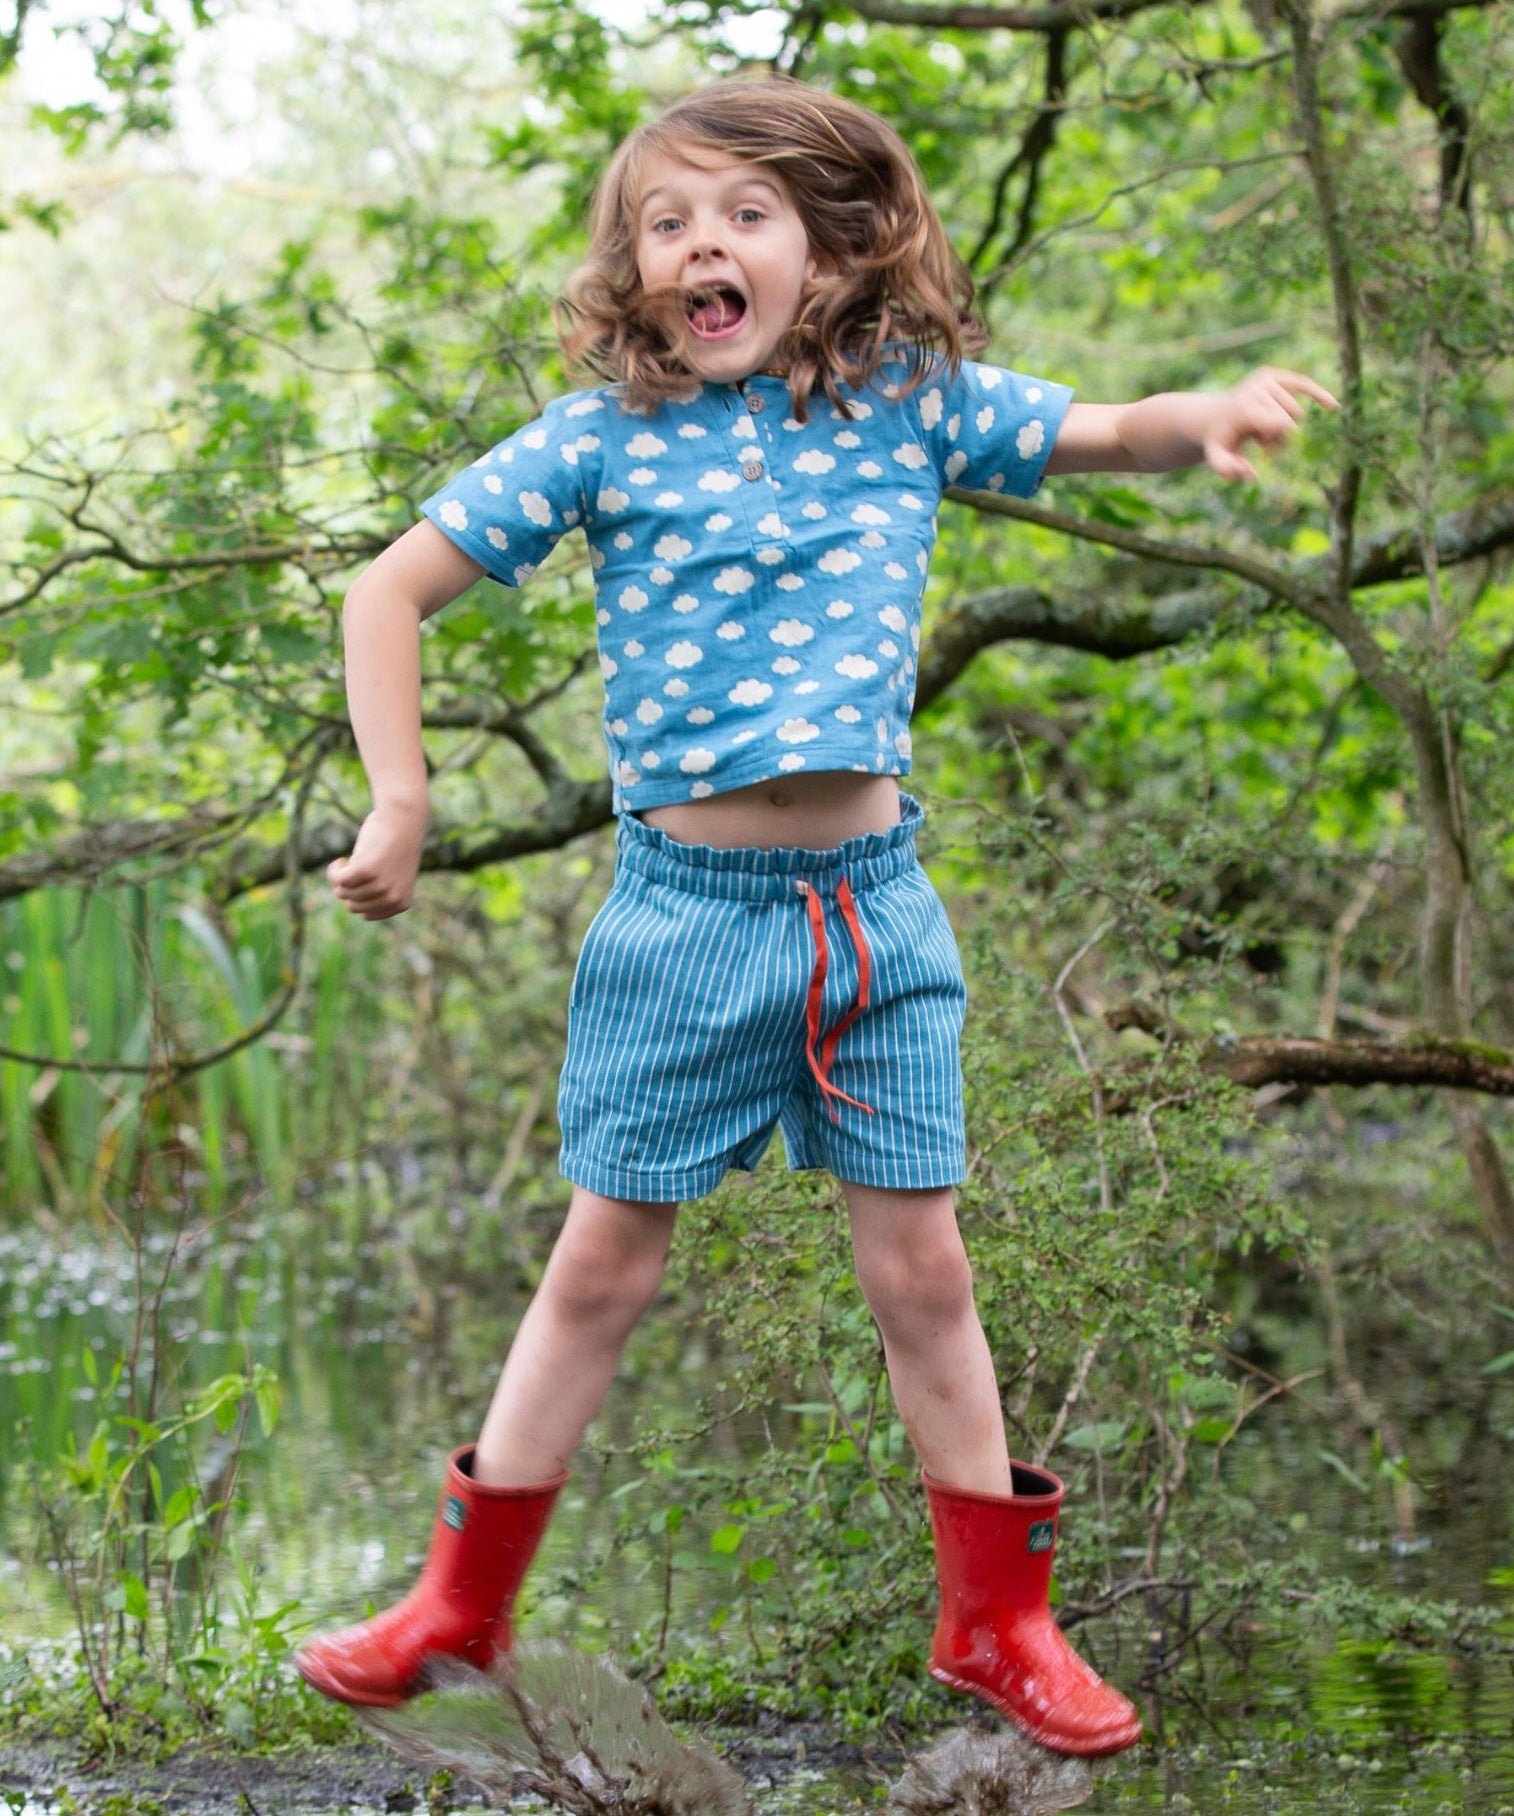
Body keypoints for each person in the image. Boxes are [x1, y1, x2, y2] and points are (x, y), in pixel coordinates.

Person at [295, 77, 1334, 1756]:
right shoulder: (596, 438)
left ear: (831, 251)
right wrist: (402, 796)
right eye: (665, 224)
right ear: (635, 276)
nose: (702, 245)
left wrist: (1196, 415)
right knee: (599, 1266)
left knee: (923, 1269)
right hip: (681, 921)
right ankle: (460, 1608)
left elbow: (1102, 429)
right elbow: (385, 589)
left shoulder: (905, 403)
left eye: (745, 217)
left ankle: (997, 1625)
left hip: (871, 917)